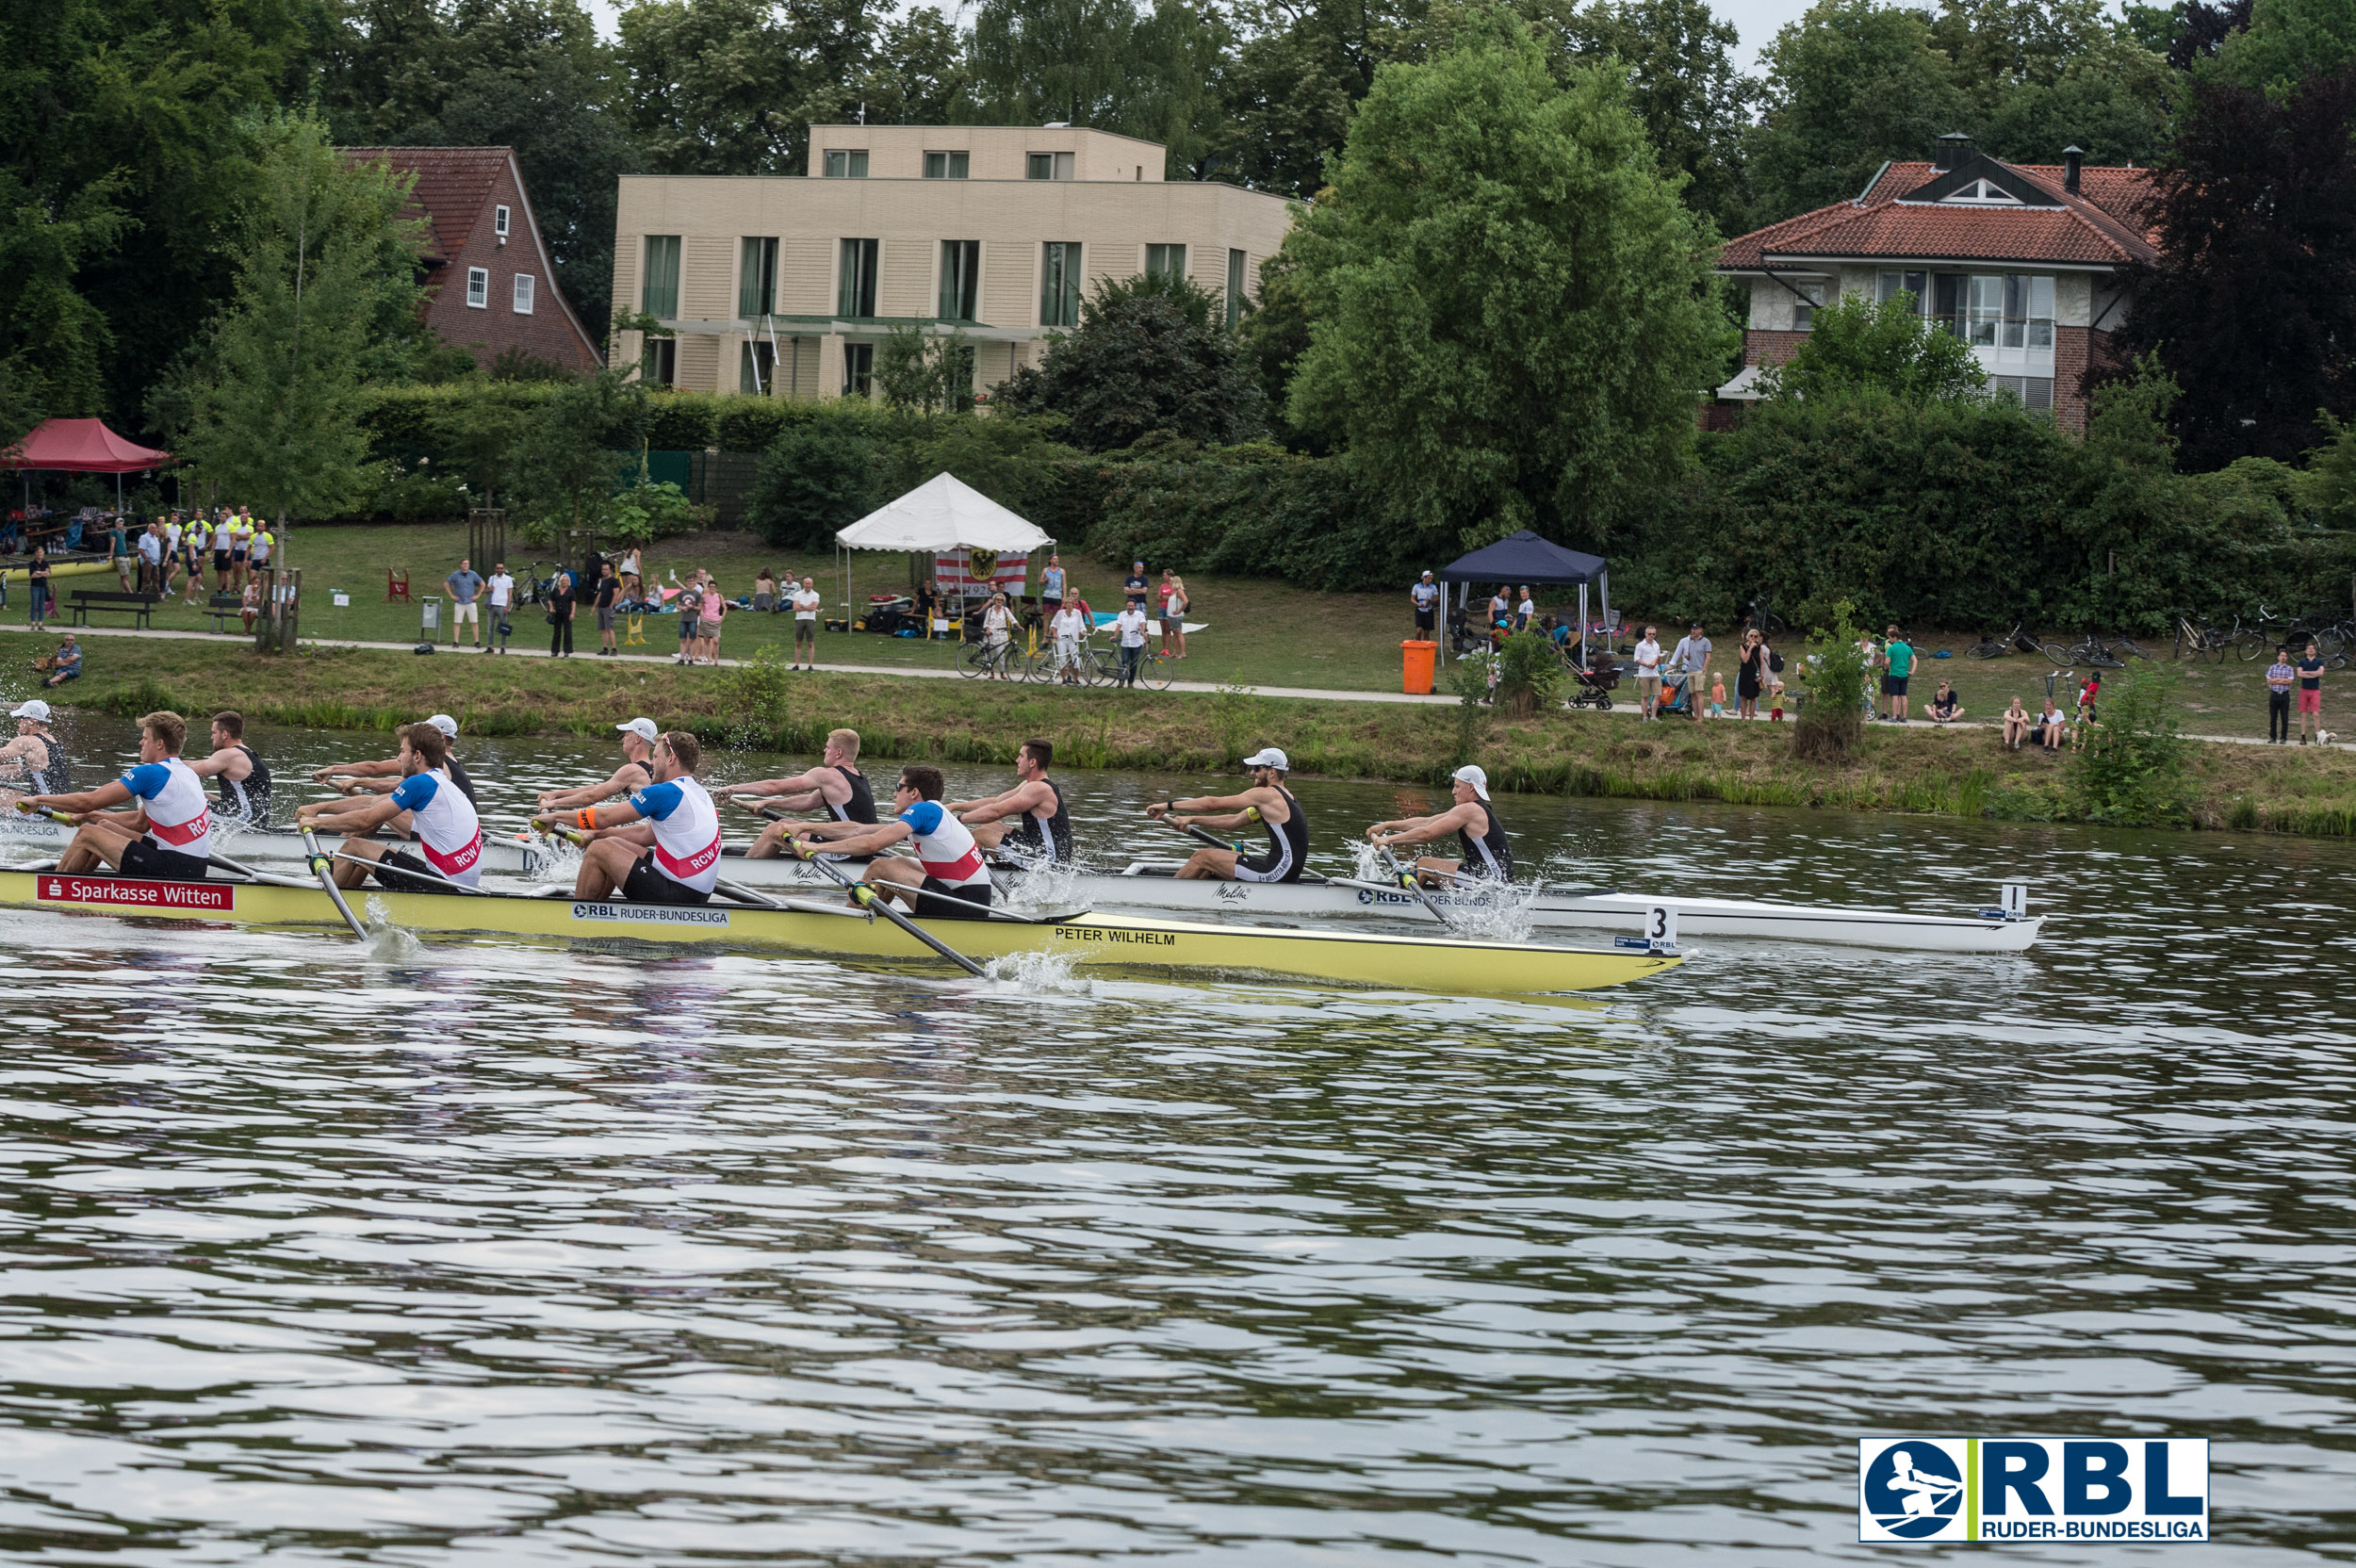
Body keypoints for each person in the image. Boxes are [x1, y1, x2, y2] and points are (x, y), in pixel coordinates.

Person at [784, 763, 994, 918]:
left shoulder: (923, 810)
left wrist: (816, 847)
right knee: (898, 863)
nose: (894, 794)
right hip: (968, 901)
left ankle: (848, 922)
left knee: (881, 866)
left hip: (966, 907)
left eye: (898, 786)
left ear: (914, 792)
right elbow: (859, 830)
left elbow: (872, 844)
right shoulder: (930, 812)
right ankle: (869, 919)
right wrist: (805, 827)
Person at [24, 710, 213, 879]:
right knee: (106, 826)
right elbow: (138, 824)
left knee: (87, 833)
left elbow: (88, 801)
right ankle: (81, 883)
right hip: (194, 867)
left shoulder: (150, 773)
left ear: (159, 744)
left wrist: (37, 800)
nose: (141, 742)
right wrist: (90, 817)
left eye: (145, 738)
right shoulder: (188, 773)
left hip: (172, 868)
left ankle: (55, 887)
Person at [537, 730, 721, 904]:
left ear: (671, 759)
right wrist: (596, 833)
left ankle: (576, 915)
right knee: (611, 843)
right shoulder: (701, 793)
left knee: (599, 850)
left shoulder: (664, 792)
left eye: (655, 757)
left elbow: (604, 817)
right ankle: (595, 910)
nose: (650, 763)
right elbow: (645, 835)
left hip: (677, 893)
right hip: (697, 892)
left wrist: (556, 817)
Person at [299, 722, 483, 893]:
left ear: (417, 756)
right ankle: (346, 895)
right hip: (461, 885)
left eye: (402, 751)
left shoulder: (420, 783)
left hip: (448, 888)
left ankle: (321, 900)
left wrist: (316, 821)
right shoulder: (443, 783)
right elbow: (372, 807)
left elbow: (367, 818)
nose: (398, 758)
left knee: (354, 846)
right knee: (363, 857)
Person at [1147, 748, 1307, 882]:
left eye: (1257, 768)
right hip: (1285, 871)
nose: (1252, 773)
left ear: (1271, 772)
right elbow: (1234, 821)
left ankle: (1164, 896)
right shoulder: (1283, 798)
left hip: (1278, 872)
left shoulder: (1266, 795)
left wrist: (1168, 806)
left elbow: (1212, 804)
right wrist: (1192, 819)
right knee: (1211, 864)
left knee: (1201, 857)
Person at [718, 728, 878, 858]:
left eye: (828, 747)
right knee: (786, 823)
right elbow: (808, 802)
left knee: (774, 829)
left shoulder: (826, 775)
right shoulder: (859, 777)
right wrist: (767, 803)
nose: (824, 750)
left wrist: (733, 788)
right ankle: (765, 861)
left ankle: (744, 873)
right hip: (861, 849)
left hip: (846, 852)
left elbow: (774, 787)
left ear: (838, 753)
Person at [1366, 764, 1513, 887]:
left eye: (1457, 786)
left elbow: (1426, 834)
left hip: (1491, 882)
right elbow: (1427, 822)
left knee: (1423, 865)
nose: (1453, 792)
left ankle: (1394, 901)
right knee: (1423, 865)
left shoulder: (1470, 810)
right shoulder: (1474, 810)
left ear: (1471, 788)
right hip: (1488, 876)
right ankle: (1401, 896)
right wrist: (1387, 825)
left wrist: (1388, 840)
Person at [944, 739, 1072, 863]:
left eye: (1021, 756)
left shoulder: (1039, 788)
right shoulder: (1029, 784)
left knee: (980, 834)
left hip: (1049, 860)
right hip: (1035, 846)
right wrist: (954, 806)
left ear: (1032, 762)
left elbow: (997, 812)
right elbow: (995, 802)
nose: (1017, 760)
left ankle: (967, 876)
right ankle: (982, 867)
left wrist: (958, 820)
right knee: (989, 826)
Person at [313, 714, 478, 808]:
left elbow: (396, 784)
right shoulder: (438, 758)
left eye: (426, 730)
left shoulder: (438, 761)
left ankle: (345, 851)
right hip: (444, 815)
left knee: (380, 806)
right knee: (386, 804)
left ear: (440, 737)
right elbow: (374, 768)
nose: (418, 733)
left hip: (449, 825)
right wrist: (334, 769)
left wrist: (356, 782)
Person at [537, 718, 662, 812]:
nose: (623, 739)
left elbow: (591, 797)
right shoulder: (651, 769)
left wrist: (552, 804)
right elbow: (597, 788)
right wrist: (555, 794)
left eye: (627, 734)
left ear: (637, 739)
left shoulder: (632, 770)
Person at [184, 710, 272, 827]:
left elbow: (185, 773)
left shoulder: (228, 755)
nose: (211, 737)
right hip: (252, 819)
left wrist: (157, 770)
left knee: (183, 804)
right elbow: (194, 763)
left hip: (244, 821)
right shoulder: (243, 754)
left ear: (224, 734)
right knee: (195, 796)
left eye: (214, 733)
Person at [0, 699, 73, 805]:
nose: (18, 722)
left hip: (44, 807)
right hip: (61, 804)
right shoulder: (54, 740)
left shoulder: (27, 741)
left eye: (21, 718)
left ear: (32, 720)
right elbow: (18, 770)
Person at [1669, 622, 1711, 724]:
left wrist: (1703, 669)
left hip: (1699, 670)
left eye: (1696, 629)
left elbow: (1708, 657)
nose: (1694, 631)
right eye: (1692, 629)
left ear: (1700, 630)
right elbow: (1691, 656)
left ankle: (1701, 717)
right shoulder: (1691, 642)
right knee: (1692, 694)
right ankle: (1696, 716)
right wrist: (1688, 657)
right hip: (1690, 670)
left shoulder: (1706, 641)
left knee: (1699, 693)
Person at [444, 557, 484, 647]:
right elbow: (446, 583)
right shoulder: (455, 574)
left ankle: (477, 641)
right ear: (461, 565)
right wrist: (451, 595)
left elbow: (482, 584)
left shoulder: (473, 574)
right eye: (464, 564)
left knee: (474, 622)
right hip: (460, 602)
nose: (465, 565)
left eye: (467, 564)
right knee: (457, 622)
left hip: (471, 601)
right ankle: (456, 642)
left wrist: (477, 595)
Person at [1881, 626, 1914, 723]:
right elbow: (1915, 660)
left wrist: (1887, 668)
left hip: (1894, 674)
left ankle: (1894, 716)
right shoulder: (1906, 647)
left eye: (1890, 638)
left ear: (1894, 637)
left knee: (1895, 696)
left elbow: (1886, 662)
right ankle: (1904, 717)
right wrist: (1912, 671)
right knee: (1903, 695)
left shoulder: (1891, 648)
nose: (1889, 640)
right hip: (1904, 674)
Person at [1113, 598, 1148, 686]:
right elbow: (1118, 626)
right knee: (1124, 661)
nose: (1130, 607)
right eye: (1129, 606)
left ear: (1135, 606)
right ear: (1126, 606)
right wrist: (1114, 636)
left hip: (1136, 643)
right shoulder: (1122, 614)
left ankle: (1130, 682)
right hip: (1125, 643)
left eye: (1132, 606)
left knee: (1133, 663)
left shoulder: (1140, 614)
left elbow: (1143, 624)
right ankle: (1121, 681)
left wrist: (1143, 632)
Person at [2297, 639, 2326, 743]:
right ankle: (2303, 736)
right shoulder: (2302, 661)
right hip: (2304, 690)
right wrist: (2314, 673)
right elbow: (2300, 674)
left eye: (2312, 649)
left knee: (2315, 714)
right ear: (2305, 651)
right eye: (2308, 648)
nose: (2310, 650)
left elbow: (2321, 673)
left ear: (2315, 651)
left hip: (2315, 690)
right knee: (2303, 714)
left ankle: (2317, 735)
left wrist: (2307, 673)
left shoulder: (2319, 661)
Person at [981, 591, 1015, 678]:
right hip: (991, 636)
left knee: (1001, 656)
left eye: (1001, 600)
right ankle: (991, 673)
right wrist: (987, 629)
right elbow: (986, 622)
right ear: (994, 600)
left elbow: (1012, 619)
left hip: (1001, 637)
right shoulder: (990, 610)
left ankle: (1002, 673)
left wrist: (1019, 626)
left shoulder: (1005, 610)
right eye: (997, 599)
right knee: (990, 656)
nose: (999, 601)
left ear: (1003, 601)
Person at [2266, 645, 2296, 743]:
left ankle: (2283, 737)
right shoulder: (2272, 667)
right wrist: (2281, 680)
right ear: (2278, 657)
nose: (2283, 657)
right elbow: (2269, 681)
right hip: (2274, 694)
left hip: (2284, 695)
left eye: (2285, 656)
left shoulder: (2290, 668)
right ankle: (2273, 737)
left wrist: (2277, 680)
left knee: (2284, 717)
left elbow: (2289, 681)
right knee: (2273, 717)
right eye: (2281, 655)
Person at [1632, 625, 1663, 720]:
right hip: (1644, 674)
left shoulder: (1656, 645)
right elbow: (1636, 659)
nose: (1652, 636)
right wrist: (1646, 664)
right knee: (1645, 696)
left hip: (1655, 673)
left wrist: (1658, 660)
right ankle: (1645, 716)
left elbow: (1657, 657)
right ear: (1645, 634)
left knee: (1657, 695)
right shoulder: (1640, 645)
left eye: (1653, 634)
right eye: (1650, 634)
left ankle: (1653, 716)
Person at [792, 576, 822, 669]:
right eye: (806, 583)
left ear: (812, 584)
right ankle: (796, 664)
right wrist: (808, 607)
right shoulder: (798, 594)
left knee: (810, 643)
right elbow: (795, 608)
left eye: (809, 583)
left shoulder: (815, 595)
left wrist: (802, 606)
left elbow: (813, 607)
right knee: (798, 642)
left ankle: (810, 665)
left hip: (810, 619)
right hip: (799, 619)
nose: (808, 585)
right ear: (803, 584)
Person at [485, 561, 515, 653]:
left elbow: (510, 594)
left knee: (503, 627)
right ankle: (490, 647)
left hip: (502, 606)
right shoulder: (491, 578)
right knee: (490, 627)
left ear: (504, 569)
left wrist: (508, 607)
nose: (499, 570)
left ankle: (503, 647)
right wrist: (489, 590)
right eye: (498, 568)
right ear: (495, 569)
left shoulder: (508, 579)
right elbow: (487, 590)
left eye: (501, 568)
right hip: (492, 605)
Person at [1735, 628, 1764, 720]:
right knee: (1743, 696)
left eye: (1755, 636)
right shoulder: (1742, 646)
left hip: (1755, 674)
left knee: (1753, 697)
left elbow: (1762, 663)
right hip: (1745, 673)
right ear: (1748, 636)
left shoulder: (1759, 648)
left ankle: (1751, 719)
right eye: (1751, 635)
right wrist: (1750, 648)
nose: (1753, 637)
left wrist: (1761, 676)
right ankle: (1743, 718)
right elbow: (1745, 659)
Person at [593, 561, 620, 656]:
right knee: (603, 629)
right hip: (601, 607)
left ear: (610, 570)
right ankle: (605, 648)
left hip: (608, 607)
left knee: (609, 628)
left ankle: (614, 649)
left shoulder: (614, 581)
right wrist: (594, 606)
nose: (604, 571)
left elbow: (616, 593)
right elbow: (600, 594)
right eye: (603, 569)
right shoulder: (603, 582)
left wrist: (611, 606)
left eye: (606, 569)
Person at [696, 577, 727, 663]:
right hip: (706, 619)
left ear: (716, 588)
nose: (712, 588)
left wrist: (722, 617)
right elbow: (700, 607)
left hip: (715, 620)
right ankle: (708, 658)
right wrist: (701, 615)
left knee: (716, 641)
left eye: (714, 587)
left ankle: (716, 660)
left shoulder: (719, 596)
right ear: (708, 587)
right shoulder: (704, 596)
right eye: (711, 587)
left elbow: (725, 608)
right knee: (706, 640)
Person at [673, 573, 701, 664]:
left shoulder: (697, 594)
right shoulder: (682, 593)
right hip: (683, 619)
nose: (690, 582)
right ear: (686, 582)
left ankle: (690, 659)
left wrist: (692, 607)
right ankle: (682, 659)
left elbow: (699, 607)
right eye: (688, 581)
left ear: (695, 582)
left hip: (693, 619)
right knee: (683, 639)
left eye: (692, 581)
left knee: (692, 639)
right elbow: (677, 605)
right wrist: (682, 608)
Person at [1159, 569, 1188, 659]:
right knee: (1175, 633)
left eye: (1172, 581)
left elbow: (1185, 601)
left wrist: (1179, 611)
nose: (1170, 582)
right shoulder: (1174, 591)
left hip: (1176, 616)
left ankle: (1183, 653)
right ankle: (1175, 652)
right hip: (1171, 616)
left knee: (1178, 633)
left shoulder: (1179, 591)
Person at [181, 514, 209, 605]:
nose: (200, 530)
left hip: (194, 559)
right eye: (198, 528)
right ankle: (187, 599)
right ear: (195, 528)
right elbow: (191, 550)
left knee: (199, 577)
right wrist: (193, 562)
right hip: (191, 559)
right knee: (191, 579)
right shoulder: (192, 537)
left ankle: (196, 597)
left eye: (201, 529)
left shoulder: (195, 536)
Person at [548, 567, 576, 658]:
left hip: (567, 613)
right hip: (557, 613)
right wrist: (551, 608)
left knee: (567, 632)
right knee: (557, 632)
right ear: (560, 581)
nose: (564, 582)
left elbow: (573, 602)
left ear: (568, 582)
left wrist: (572, 613)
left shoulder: (571, 591)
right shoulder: (556, 590)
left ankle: (567, 651)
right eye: (563, 580)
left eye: (566, 580)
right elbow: (550, 600)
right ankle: (555, 651)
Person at [25, 544, 51, 633]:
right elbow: (32, 575)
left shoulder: (46, 563)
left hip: (43, 586)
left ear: (43, 553)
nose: (40, 554)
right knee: (34, 604)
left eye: (41, 552)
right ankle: (33, 623)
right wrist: (43, 573)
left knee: (41, 605)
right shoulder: (32, 564)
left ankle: (40, 624)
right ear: (35, 554)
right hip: (35, 586)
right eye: (38, 552)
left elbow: (48, 574)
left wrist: (39, 572)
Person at [135, 521, 164, 595]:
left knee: (156, 579)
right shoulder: (144, 537)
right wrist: (146, 559)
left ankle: (157, 595)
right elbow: (141, 549)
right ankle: (145, 595)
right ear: (148, 529)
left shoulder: (155, 538)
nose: (154, 529)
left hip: (155, 562)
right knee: (146, 579)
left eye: (155, 528)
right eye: (152, 528)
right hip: (148, 561)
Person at [1411, 571, 1439, 642]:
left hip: (1429, 611)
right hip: (1419, 610)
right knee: (1419, 630)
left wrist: (1430, 601)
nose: (1430, 580)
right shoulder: (1416, 586)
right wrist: (1417, 604)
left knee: (1426, 632)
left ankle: (1425, 649)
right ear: (1424, 578)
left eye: (1431, 579)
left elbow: (1436, 598)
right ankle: (1417, 646)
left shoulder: (1433, 587)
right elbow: (1412, 598)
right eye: (1429, 578)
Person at [1040, 554, 1067, 622]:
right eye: (1054, 559)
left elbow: (1064, 584)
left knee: (1055, 615)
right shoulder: (1045, 570)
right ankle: (1045, 632)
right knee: (1046, 614)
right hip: (1047, 595)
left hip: (1057, 596)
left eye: (1057, 559)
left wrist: (1064, 596)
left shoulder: (1062, 571)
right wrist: (1045, 580)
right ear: (1050, 560)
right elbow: (1040, 582)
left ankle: (1053, 632)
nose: (1056, 560)